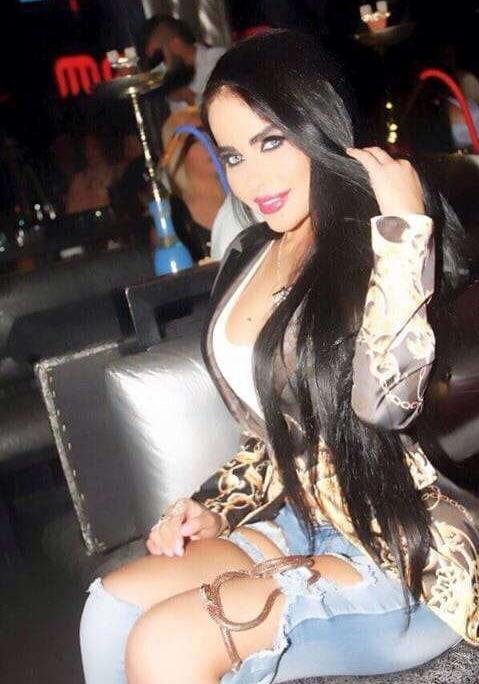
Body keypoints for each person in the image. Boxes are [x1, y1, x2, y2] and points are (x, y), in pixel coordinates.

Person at [80, 31, 479, 684]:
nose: (251, 179)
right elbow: (276, 433)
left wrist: (405, 234)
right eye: (233, 155)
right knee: (109, 609)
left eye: (271, 142)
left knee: (164, 645)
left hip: (401, 551)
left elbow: (387, 404)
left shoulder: (381, 241)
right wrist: (217, 505)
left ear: (316, 126)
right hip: (298, 524)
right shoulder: (249, 253)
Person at [141, 14, 226, 110]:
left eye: (163, 50)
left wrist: (171, 90)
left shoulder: (213, 56)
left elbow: (191, 97)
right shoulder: (177, 71)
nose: (164, 57)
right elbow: (142, 87)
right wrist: (166, 66)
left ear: (176, 43)